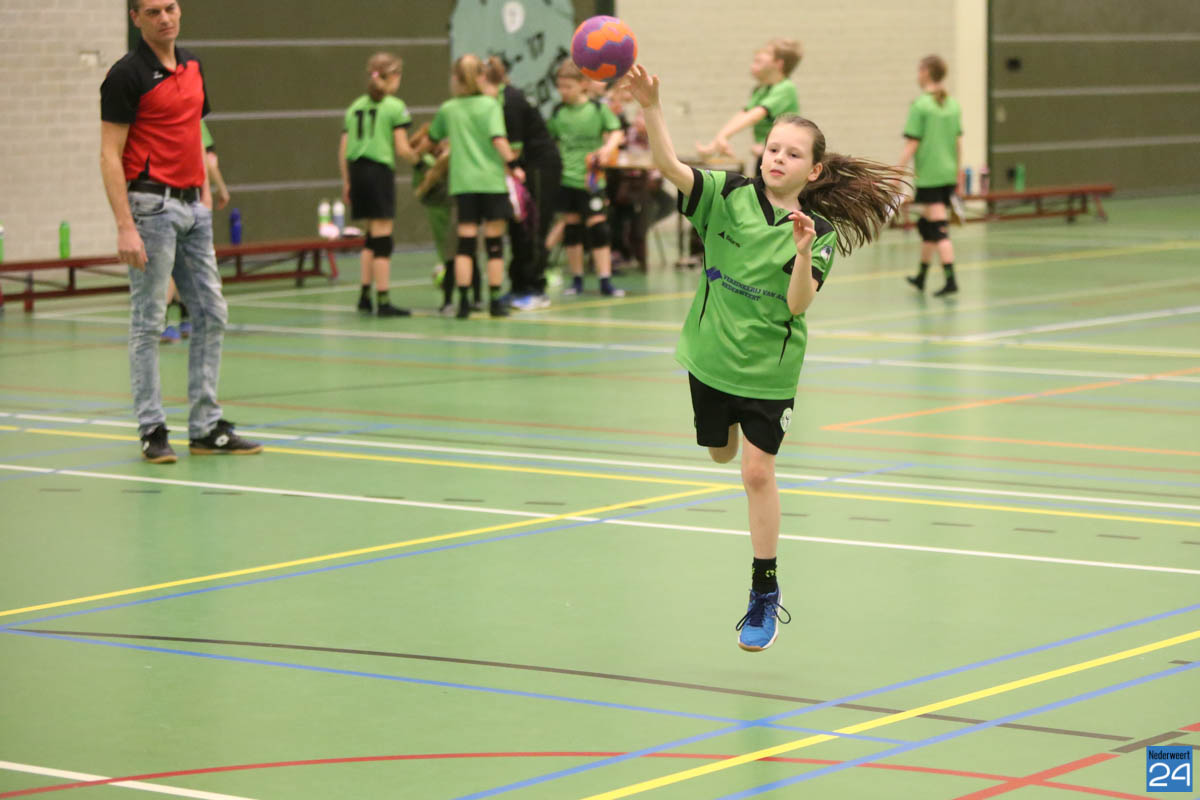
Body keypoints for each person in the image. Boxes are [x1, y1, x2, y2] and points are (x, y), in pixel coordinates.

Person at [623, 63, 902, 651]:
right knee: (720, 453)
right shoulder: (726, 195)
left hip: (769, 371)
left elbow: (799, 305)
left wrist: (801, 252)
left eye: (792, 154)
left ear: (814, 170)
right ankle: (723, 434)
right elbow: (670, 168)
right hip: (709, 357)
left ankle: (764, 590)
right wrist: (650, 105)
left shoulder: (817, 231)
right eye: (773, 148)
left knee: (756, 471)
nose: (778, 158)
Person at [99, 0, 261, 464]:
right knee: (149, 320)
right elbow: (109, 154)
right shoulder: (125, 75)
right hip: (151, 207)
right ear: (136, 19)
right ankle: (152, 428)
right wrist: (124, 226)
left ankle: (206, 426)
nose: (164, 18)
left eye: (170, 8)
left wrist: (205, 197)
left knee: (211, 312)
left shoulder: (193, 65)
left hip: (194, 207)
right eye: (152, 12)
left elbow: (194, 133)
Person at [428, 54, 524, 319]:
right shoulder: (490, 105)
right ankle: (495, 301)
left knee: (465, 246)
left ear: (456, 79)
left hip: (463, 184)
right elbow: (498, 139)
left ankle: (463, 302)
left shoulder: (449, 108)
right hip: (491, 182)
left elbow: (433, 137)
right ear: (481, 77)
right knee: (494, 245)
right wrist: (514, 165)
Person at [339, 52, 419, 317]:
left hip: (357, 171)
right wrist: (420, 159)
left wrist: (347, 181)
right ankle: (383, 299)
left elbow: (343, 148)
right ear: (393, 76)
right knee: (384, 238)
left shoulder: (355, 106)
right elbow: (402, 148)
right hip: (378, 172)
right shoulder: (395, 106)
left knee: (370, 237)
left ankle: (365, 295)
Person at [483, 57, 562, 312]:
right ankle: (518, 286)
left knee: (534, 226)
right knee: (518, 228)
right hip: (521, 170)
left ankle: (536, 288)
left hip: (540, 168)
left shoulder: (511, 101)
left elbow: (513, 150)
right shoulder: (493, 102)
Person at [547, 61, 626, 297]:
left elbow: (617, 132)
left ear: (583, 84)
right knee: (572, 229)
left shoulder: (597, 109)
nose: (563, 91)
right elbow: (549, 139)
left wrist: (607, 149)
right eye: (560, 87)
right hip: (567, 180)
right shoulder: (558, 113)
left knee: (598, 227)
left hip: (591, 180)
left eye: (568, 86)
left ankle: (605, 280)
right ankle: (577, 280)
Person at [898, 54, 963, 297]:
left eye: (919, 70)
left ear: (926, 72)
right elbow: (958, 143)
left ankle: (951, 279)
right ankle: (921, 276)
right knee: (927, 226)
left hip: (930, 176)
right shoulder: (953, 105)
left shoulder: (921, 105)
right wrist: (958, 173)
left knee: (938, 228)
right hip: (947, 174)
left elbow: (912, 143)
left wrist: (897, 172)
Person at [162, 119, 228, 343]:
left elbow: (205, 157)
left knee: (180, 262)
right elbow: (209, 162)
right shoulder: (183, 116)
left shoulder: (193, 118)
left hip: (184, 199)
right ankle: (167, 320)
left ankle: (182, 317)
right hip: (182, 200)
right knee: (178, 262)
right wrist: (221, 188)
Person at [696, 38, 802, 171]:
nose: (759, 54)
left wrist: (723, 137)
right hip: (767, 154)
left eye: (766, 52)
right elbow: (744, 114)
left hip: (785, 159)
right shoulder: (761, 90)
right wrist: (717, 141)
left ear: (778, 64)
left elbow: (755, 116)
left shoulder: (786, 88)